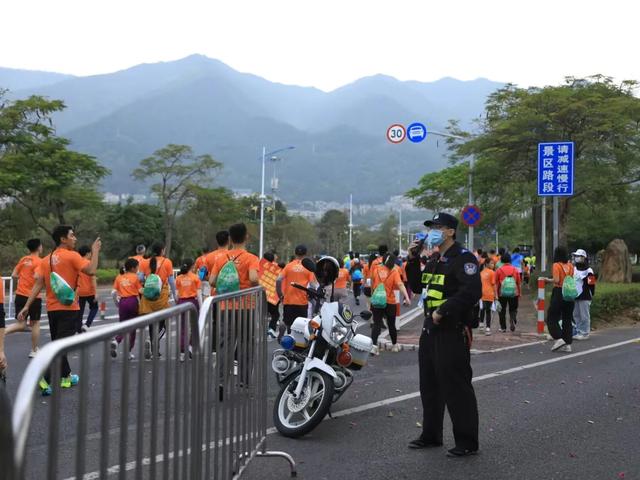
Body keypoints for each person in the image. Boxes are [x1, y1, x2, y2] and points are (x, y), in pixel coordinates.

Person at [406, 212, 481, 457]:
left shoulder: (464, 258)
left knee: (456, 386)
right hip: (430, 329)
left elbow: (471, 292)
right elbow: (418, 287)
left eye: (438, 227)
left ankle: (467, 441)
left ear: (450, 231)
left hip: (451, 329)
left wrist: (442, 311)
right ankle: (431, 435)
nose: (432, 231)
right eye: (431, 227)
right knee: (429, 385)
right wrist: (411, 260)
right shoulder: (435, 258)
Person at [18, 226, 101, 396]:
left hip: (52, 309)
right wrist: (95, 251)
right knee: (60, 347)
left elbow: (38, 284)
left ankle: (67, 376)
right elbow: (91, 270)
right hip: (69, 309)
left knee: (58, 344)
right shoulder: (72, 256)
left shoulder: (46, 259)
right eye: (72, 235)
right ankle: (44, 378)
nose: (75, 238)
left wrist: (27, 306)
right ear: (63, 239)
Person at [138, 241, 176, 359]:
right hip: (162, 294)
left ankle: (154, 349)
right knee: (162, 324)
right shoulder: (167, 262)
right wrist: (175, 295)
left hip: (148, 294)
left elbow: (140, 278)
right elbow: (171, 281)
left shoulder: (144, 262)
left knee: (151, 322)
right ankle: (153, 342)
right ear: (162, 250)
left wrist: (148, 282)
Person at [6, 238, 43, 357]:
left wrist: (23, 280)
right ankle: (34, 350)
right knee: (35, 323)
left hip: (20, 295)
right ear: (39, 247)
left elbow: (14, 275)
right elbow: (38, 278)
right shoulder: (39, 262)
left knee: (21, 324)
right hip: (33, 296)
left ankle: (3, 331)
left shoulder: (24, 259)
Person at [370, 253, 411, 354]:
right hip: (390, 302)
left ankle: (374, 347)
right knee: (391, 324)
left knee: (377, 324)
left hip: (377, 300)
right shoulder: (394, 271)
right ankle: (394, 345)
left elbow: (371, 283)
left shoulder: (375, 269)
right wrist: (406, 297)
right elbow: (400, 284)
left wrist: (372, 296)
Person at [276, 245, 316, 340]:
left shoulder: (288, 266)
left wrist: (280, 295)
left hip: (288, 300)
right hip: (302, 302)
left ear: (295, 253)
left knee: (288, 322)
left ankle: (286, 330)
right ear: (306, 254)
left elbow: (278, 280)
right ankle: (296, 342)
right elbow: (313, 285)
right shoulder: (308, 268)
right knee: (301, 326)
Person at [542, 246, 575, 353]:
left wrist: (547, 279)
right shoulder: (570, 265)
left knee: (551, 317)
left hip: (559, 293)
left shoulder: (556, 265)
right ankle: (568, 344)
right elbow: (570, 278)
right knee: (567, 319)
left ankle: (559, 338)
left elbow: (556, 280)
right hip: (569, 294)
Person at [110, 258, 143, 359]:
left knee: (123, 325)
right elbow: (141, 290)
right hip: (133, 301)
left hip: (122, 302)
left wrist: (117, 303)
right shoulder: (135, 277)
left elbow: (113, 292)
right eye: (137, 267)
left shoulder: (119, 277)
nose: (138, 269)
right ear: (133, 268)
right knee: (132, 327)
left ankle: (117, 340)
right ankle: (128, 352)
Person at [175, 258, 202, 361]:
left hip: (182, 303)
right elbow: (199, 295)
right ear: (192, 266)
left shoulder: (178, 278)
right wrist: (201, 306)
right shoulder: (196, 278)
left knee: (183, 328)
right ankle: (190, 348)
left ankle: (182, 353)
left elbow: (177, 295)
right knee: (194, 327)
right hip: (193, 303)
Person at [572, 249, 596, 340]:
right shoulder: (574, 269)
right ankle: (578, 331)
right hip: (575, 295)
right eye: (576, 256)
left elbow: (592, 283)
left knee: (584, 315)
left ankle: (585, 333)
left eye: (579, 256)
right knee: (576, 315)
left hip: (585, 296)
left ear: (584, 258)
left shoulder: (589, 270)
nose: (577, 258)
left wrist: (592, 294)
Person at [495, 253, 521, 333]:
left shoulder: (499, 270)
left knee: (502, 310)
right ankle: (512, 319)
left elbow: (496, 284)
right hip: (513, 293)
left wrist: (496, 295)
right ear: (510, 260)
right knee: (513, 309)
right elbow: (518, 283)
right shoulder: (515, 270)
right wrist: (519, 293)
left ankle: (503, 327)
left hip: (502, 293)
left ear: (501, 260)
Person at [76, 245, 99, 333]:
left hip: (79, 291)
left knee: (79, 311)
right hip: (89, 291)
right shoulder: (89, 264)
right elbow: (92, 278)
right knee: (94, 308)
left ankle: (78, 329)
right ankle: (87, 324)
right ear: (88, 253)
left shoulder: (77, 263)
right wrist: (96, 292)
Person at [262, 252, 282, 338]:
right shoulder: (277, 268)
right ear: (273, 259)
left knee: (264, 314)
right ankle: (271, 329)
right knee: (275, 314)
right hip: (273, 295)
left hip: (262, 295)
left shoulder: (260, 266)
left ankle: (264, 330)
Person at [479, 257, 497, 335]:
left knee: (482, 309)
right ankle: (488, 329)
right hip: (489, 294)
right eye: (491, 263)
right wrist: (496, 295)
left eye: (493, 263)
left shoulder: (481, 272)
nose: (493, 265)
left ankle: (481, 325)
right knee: (488, 311)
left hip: (481, 294)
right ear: (487, 264)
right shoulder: (492, 272)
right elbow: (493, 285)